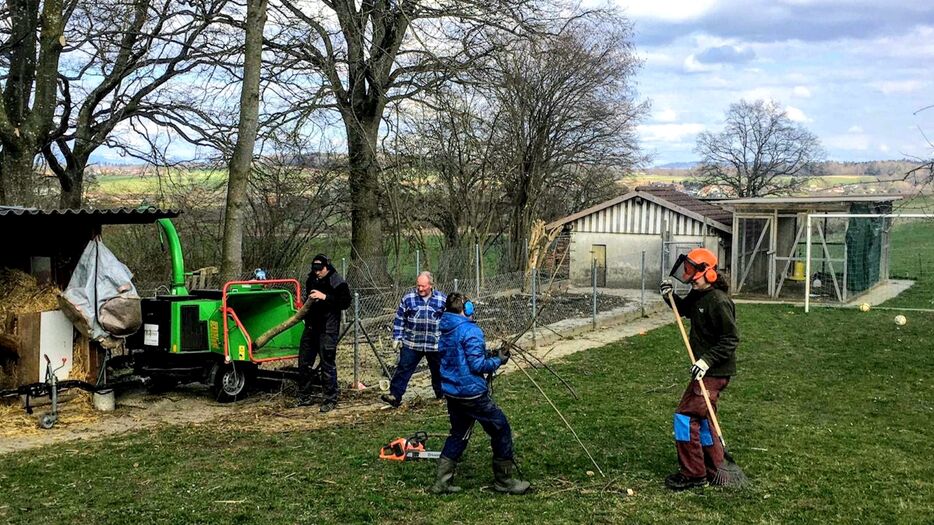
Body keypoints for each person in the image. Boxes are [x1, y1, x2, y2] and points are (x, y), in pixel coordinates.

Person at [429, 292, 530, 495]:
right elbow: (477, 365)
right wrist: (499, 360)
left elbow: (462, 356)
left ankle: (442, 482)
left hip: (453, 392)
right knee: (500, 428)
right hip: (472, 395)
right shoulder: (470, 330)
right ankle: (504, 481)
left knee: (459, 433)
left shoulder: (446, 328)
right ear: (466, 309)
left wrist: (491, 353)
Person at [659, 247, 738, 490]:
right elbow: (684, 310)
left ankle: (694, 474)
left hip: (713, 372)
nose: (690, 278)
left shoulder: (719, 302)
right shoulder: (698, 294)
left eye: (694, 274)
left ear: (709, 274)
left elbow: (730, 339)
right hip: (706, 371)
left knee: (684, 418)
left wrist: (706, 361)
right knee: (703, 420)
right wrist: (669, 296)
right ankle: (714, 467)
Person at [380, 271, 447, 408]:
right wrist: (397, 337)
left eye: (423, 286)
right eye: (418, 286)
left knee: (438, 370)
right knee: (403, 368)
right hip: (412, 343)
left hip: (434, 344)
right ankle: (395, 395)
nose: (420, 289)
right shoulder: (408, 299)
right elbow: (400, 319)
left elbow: (448, 320)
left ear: (431, 285)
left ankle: (442, 394)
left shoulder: (442, 300)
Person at [298, 253, 351, 412]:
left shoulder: (337, 281)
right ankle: (304, 396)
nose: (317, 272)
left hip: (328, 329)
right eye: (315, 269)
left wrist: (325, 297)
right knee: (304, 362)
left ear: (327, 267)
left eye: (320, 269)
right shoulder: (311, 279)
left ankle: (330, 399)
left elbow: (345, 303)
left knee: (327, 364)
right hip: (311, 327)